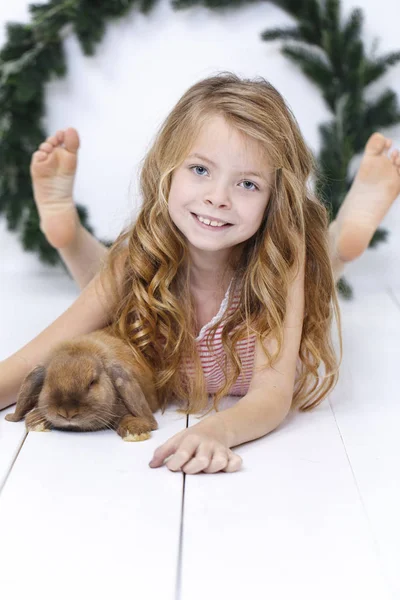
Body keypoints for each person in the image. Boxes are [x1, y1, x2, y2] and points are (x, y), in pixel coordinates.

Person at [1, 73, 400, 475]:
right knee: (109, 296)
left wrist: (218, 430)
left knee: (315, 280)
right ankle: (70, 236)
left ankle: (342, 242)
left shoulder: (280, 265)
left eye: (247, 183)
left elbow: (272, 395)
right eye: (200, 170)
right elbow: (34, 357)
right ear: (167, 170)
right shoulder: (139, 256)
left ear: (274, 199)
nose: (217, 198)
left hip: (276, 269)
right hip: (144, 277)